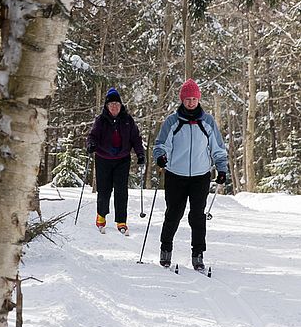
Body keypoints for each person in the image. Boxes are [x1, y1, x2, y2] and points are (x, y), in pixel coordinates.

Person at [153, 79, 228, 270]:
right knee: (173, 214)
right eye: (187, 99)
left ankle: (198, 254)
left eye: (194, 99)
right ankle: (166, 249)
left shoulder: (207, 121)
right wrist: (161, 157)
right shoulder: (172, 121)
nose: (191, 102)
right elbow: (161, 144)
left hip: (200, 176)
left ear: (198, 99)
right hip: (175, 175)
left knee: (197, 216)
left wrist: (221, 168)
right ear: (182, 100)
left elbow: (217, 147)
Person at [86, 87, 145, 235]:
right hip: (103, 159)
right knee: (104, 190)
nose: (114, 107)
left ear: (121, 106)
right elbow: (92, 136)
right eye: (111, 104)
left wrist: (140, 154)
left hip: (122, 160)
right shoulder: (101, 120)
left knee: (121, 191)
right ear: (107, 106)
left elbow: (136, 138)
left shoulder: (127, 120)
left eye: (117, 104)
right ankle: (101, 216)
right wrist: (91, 145)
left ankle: (121, 220)